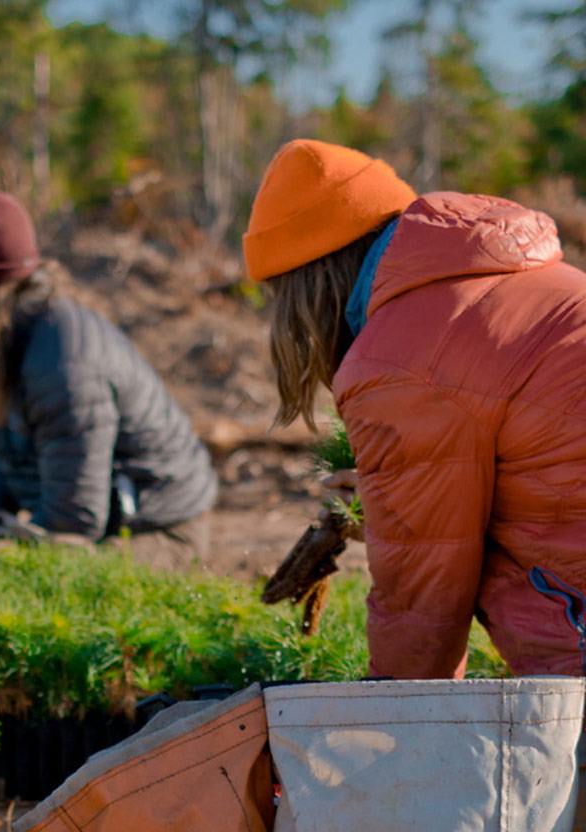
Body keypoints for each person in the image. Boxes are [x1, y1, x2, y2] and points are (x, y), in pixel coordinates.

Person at [244, 138, 586, 680]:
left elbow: (420, 607)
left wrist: (397, 740)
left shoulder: (398, 358)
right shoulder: (534, 280)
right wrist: (389, 500)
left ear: (309, 285)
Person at [0, 189, 218, 570]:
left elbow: (74, 521)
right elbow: (10, 455)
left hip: (160, 529)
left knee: (36, 573)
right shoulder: (24, 329)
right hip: (104, 503)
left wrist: (1, 559)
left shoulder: (63, 362)